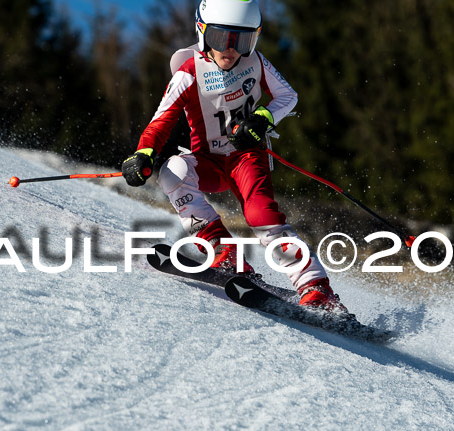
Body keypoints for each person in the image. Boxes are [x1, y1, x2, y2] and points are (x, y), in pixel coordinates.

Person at [122, 0, 347, 312]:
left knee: (261, 217)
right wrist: (144, 155)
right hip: (208, 162)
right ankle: (223, 250)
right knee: (171, 171)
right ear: (202, 33)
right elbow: (160, 123)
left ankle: (315, 287)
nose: (230, 50)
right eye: (220, 38)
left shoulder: (255, 63)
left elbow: (287, 95)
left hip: (246, 158)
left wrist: (262, 118)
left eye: (242, 40)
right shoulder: (188, 74)